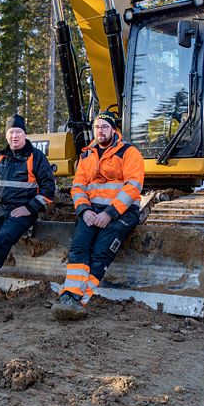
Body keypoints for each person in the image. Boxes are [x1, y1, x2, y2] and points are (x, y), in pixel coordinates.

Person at [51, 111, 144, 320]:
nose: (100, 130)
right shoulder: (87, 155)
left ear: (113, 129)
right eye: (97, 127)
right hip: (91, 210)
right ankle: (70, 296)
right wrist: (84, 210)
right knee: (78, 248)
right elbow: (78, 187)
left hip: (123, 211)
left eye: (104, 126)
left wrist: (110, 214)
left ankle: (78, 300)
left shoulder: (129, 153)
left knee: (101, 252)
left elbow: (133, 187)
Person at [0, 114, 56, 305]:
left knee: (2, 240)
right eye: (11, 132)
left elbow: (48, 190)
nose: (14, 136)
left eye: (18, 132)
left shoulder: (36, 158)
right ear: (6, 136)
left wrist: (29, 208)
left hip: (22, 212)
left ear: (25, 134)